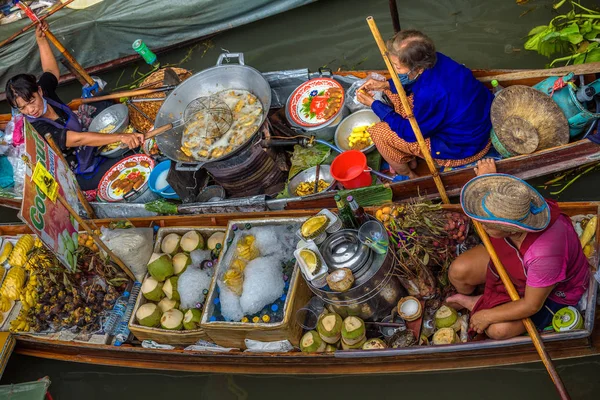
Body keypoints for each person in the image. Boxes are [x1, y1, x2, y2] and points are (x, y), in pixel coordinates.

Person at [446, 159, 590, 339]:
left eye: (487, 225)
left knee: (498, 330)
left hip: (550, 292)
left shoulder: (544, 254)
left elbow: (531, 305)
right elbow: (500, 195)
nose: (482, 228)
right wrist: (487, 179)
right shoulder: (519, 203)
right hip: (511, 257)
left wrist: (486, 315)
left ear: (512, 229)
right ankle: (481, 299)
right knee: (458, 272)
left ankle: (478, 303)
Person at [5, 22, 144, 190]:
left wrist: (41, 41)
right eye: (22, 108)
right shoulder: (37, 128)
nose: (30, 110)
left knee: (100, 97)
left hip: (83, 137)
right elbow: (77, 139)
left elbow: (50, 70)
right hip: (78, 168)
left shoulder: (45, 92)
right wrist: (121, 137)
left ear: (40, 91)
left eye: (31, 101)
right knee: (131, 160)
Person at [357, 30, 493, 179]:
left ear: (418, 68)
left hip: (463, 147)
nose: (395, 70)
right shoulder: (437, 59)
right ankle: (409, 158)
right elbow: (411, 84)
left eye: (397, 67)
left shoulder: (429, 94)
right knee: (391, 92)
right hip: (478, 119)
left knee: (379, 133)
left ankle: (408, 174)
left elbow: (411, 134)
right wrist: (384, 85)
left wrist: (374, 105)